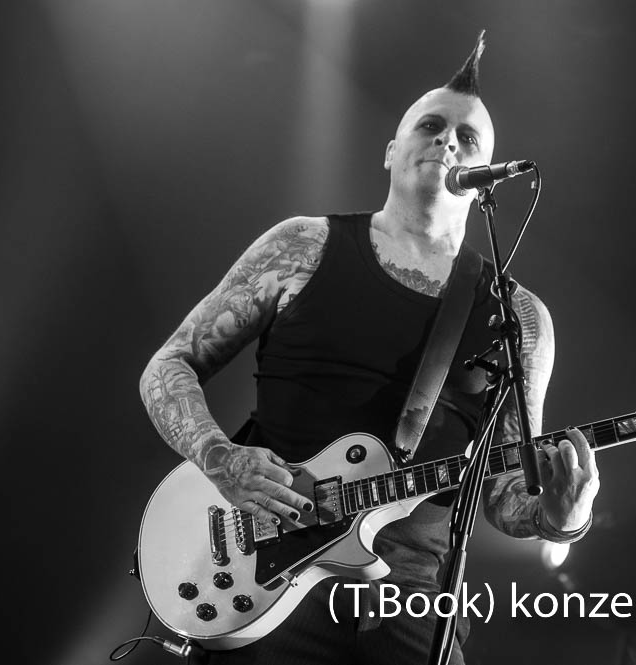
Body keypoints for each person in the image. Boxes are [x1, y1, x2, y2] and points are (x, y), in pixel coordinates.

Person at [139, 32, 600, 665]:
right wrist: (221, 460)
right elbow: (169, 365)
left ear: (484, 179)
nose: (448, 142)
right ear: (391, 150)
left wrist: (561, 517)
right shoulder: (303, 246)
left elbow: (504, 495)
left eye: (469, 139)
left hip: (414, 594)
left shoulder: (520, 318)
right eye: (432, 126)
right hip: (271, 567)